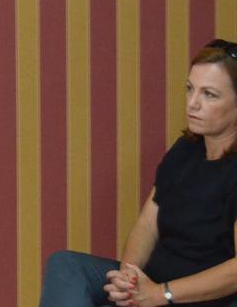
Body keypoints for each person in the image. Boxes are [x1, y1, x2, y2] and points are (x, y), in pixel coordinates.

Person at [40, 40, 237, 306]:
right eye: (190, 89)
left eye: (209, 95)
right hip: (152, 284)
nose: (192, 104)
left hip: (199, 297)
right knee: (66, 265)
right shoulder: (185, 150)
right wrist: (129, 277)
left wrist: (162, 294)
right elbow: (147, 225)